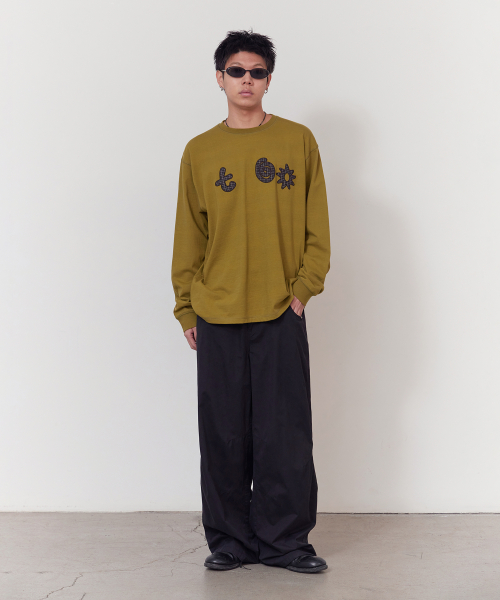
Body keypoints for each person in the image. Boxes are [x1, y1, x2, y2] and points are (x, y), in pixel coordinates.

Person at [171, 29, 331, 574]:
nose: (246, 80)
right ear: (220, 78)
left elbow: (318, 229)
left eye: (257, 72)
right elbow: (189, 237)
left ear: (268, 79)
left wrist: (303, 290)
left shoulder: (298, 141)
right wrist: (186, 308)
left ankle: (286, 543)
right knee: (223, 434)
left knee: (285, 434)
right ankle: (231, 542)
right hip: (216, 312)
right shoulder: (199, 151)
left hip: (280, 309)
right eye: (236, 71)